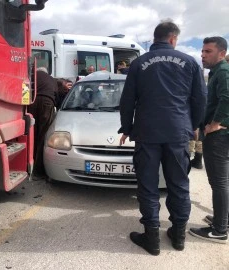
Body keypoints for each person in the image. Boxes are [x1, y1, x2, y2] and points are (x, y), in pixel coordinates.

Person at [118, 20, 207, 255]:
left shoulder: (138, 63)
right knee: (178, 183)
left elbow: (127, 100)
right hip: (178, 131)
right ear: (173, 39)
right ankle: (178, 236)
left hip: (147, 132)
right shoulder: (190, 63)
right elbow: (199, 99)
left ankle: (152, 238)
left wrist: (126, 128)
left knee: (147, 185)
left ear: (156, 38)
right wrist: (194, 125)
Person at [189, 37, 229, 243]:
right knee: (222, 182)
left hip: (219, 137)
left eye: (208, 51)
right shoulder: (216, 72)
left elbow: (227, 97)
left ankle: (220, 230)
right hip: (220, 135)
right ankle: (223, 219)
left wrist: (215, 123)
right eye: (202, 51)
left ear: (221, 53)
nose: (203, 55)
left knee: (219, 183)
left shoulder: (222, 71)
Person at [28, 67, 57, 179]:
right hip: (47, 103)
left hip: (32, 103)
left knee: (32, 133)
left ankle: (30, 162)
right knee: (43, 136)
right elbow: (56, 94)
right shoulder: (51, 79)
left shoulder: (32, 76)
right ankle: (39, 169)